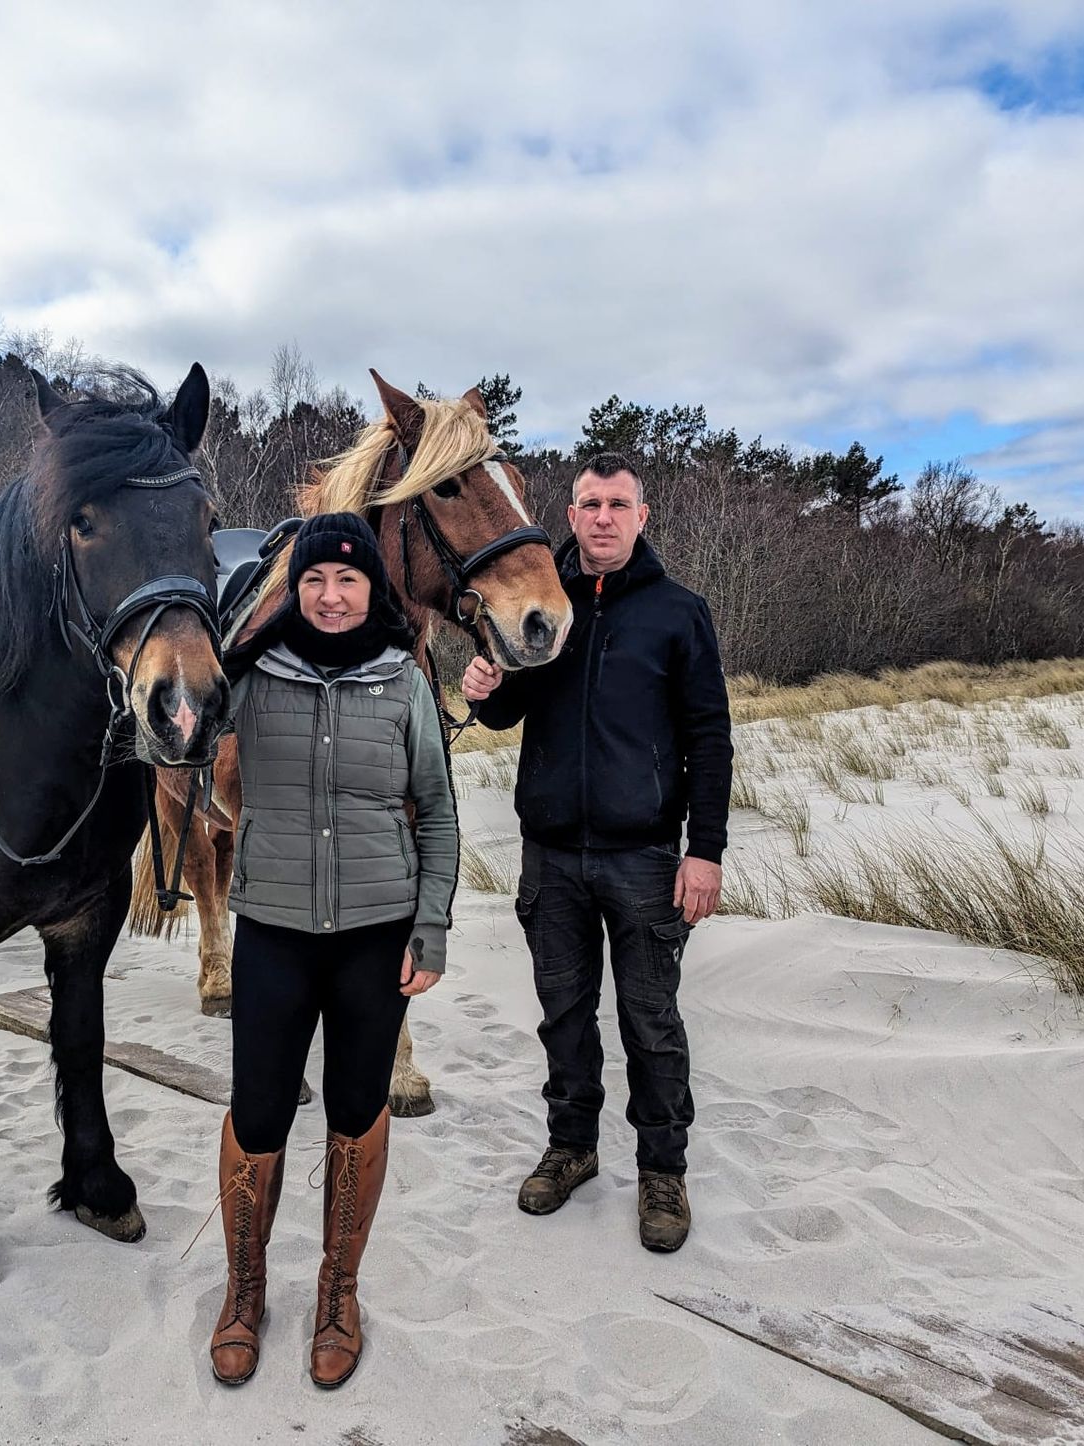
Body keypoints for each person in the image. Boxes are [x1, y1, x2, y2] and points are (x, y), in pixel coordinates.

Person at [208, 510, 458, 1389]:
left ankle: (337, 1292)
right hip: (272, 933)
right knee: (259, 1114)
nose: (331, 594)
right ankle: (244, 1291)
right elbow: (181, 737)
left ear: (370, 589)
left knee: (355, 1112)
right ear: (294, 590)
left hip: (375, 938)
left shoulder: (404, 682)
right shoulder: (250, 676)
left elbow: (438, 810)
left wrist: (431, 926)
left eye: (348, 578)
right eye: (314, 578)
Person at [462, 452, 732, 1253]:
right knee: (564, 1017)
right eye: (590, 504)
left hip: (643, 858)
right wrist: (485, 689)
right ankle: (571, 1146)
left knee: (651, 1022)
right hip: (550, 856)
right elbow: (507, 712)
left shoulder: (679, 612)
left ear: (642, 516)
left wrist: (704, 851)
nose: (603, 517)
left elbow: (709, 738)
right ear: (571, 516)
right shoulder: (545, 604)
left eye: (618, 504)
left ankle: (662, 1171)